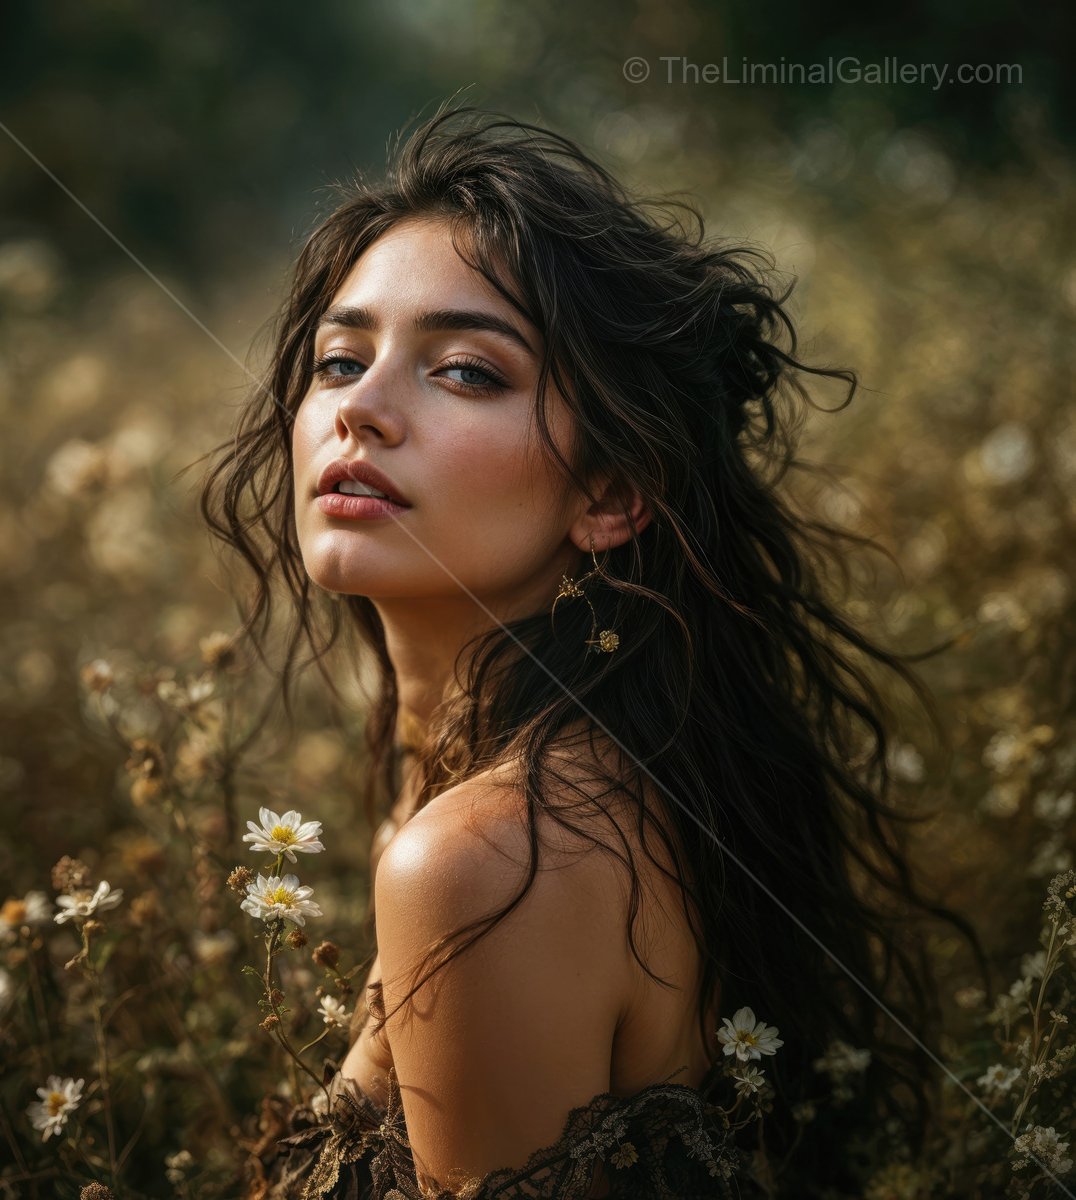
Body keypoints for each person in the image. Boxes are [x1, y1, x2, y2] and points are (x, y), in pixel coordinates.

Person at [201, 106, 974, 1198]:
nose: (359, 411)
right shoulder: (551, 785)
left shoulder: (488, 859)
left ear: (611, 493)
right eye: (339, 359)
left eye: (465, 371)